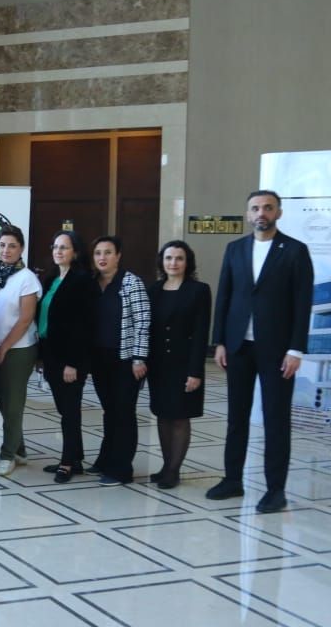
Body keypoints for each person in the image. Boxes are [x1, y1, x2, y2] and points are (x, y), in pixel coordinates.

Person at [208, 190, 314, 513]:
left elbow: (302, 303)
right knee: (236, 418)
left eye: (268, 208)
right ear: (248, 214)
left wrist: (296, 349)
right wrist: (220, 341)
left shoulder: (295, 251)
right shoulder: (235, 248)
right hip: (239, 347)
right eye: (255, 208)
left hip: (278, 351)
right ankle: (232, 480)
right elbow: (224, 296)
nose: (261, 213)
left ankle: (275, 490)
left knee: (276, 420)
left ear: (278, 213)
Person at [147, 240, 212, 489]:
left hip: (184, 364)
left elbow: (201, 332)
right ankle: (166, 466)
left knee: (180, 417)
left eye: (179, 258)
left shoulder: (199, 290)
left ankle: (174, 470)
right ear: (162, 261)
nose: (173, 263)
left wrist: (195, 371)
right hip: (158, 365)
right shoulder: (154, 290)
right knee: (162, 414)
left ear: (187, 262)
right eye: (168, 258)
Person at [88, 235, 150, 486]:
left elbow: (143, 322)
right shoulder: (92, 283)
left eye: (108, 252)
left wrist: (139, 357)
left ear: (118, 256)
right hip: (100, 358)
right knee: (109, 410)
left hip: (126, 359)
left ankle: (122, 469)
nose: (102, 257)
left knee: (124, 412)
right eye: (98, 253)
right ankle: (106, 458)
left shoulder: (131, 282)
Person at [0, 225, 41, 477]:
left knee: (14, 405)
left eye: (12, 246)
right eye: (2, 245)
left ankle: (7, 455)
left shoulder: (27, 278)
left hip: (18, 350)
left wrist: (3, 348)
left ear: (21, 249)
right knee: (4, 402)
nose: (6, 250)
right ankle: (20, 450)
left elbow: (25, 319)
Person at [37, 230, 93, 483]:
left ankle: (68, 462)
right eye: (55, 246)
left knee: (70, 411)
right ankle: (75, 458)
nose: (58, 251)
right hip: (51, 353)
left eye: (64, 247)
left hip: (70, 359)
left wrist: (73, 363)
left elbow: (83, 325)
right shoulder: (51, 278)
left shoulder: (82, 280)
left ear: (76, 252)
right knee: (64, 409)